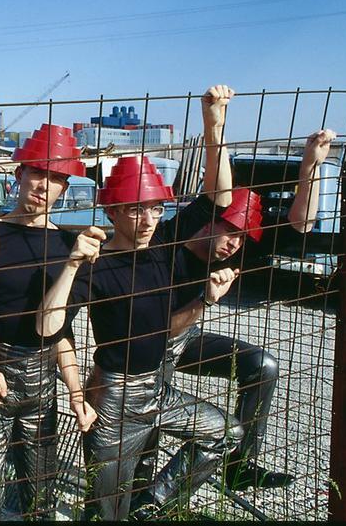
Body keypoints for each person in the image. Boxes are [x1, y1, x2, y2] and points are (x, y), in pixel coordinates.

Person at [37, 85, 244, 520]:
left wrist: (214, 124)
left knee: (225, 432)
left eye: (154, 209)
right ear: (111, 212)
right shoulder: (94, 265)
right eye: (134, 210)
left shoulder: (164, 244)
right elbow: (47, 326)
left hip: (158, 387)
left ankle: (153, 504)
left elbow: (220, 198)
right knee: (104, 509)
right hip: (115, 397)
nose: (148, 219)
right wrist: (73, 266)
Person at [137, 129, 337, 492]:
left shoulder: (236, 249)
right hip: (146, 342)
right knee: (150, 407)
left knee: (262, 366)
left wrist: (310, 165)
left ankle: (238, 466)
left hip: (186, 335)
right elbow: (161, 331)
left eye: (243, 237)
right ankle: (141, 489)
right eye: (230, 232)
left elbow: (301, 224)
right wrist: (207, 300)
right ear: (208, 220)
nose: (235, 244)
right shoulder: (169, 241)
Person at [0, 124, 98, 520]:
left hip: (41, 383)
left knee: (41, 492)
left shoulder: (67, 246)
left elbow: (62, 332)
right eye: (37, 172)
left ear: (64, 190)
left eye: (56, 178)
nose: (43, 185)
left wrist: (74, 392)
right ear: (18, 175)